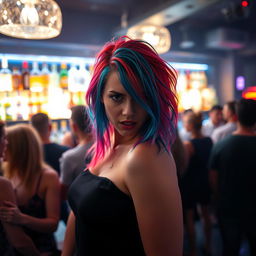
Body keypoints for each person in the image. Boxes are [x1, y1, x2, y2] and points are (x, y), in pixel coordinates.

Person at [62, 37, 183, 256]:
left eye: (140, 98)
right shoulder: (107, 142)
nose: (129, 111)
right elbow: (79, 212)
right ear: (100, 97)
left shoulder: (145, 157)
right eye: (117, 97)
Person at [0, 124, 60, 255]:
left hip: (41, 249)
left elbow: (53, 224)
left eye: (7, 141)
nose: (4, 145)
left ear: (18, 148)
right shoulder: (7, 174)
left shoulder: (48, 176)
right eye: (4, 140)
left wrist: (22, 218)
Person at [209, 98, 256, 256]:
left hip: (228, 206)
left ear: (236, 116)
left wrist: (217, 198)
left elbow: (213, 177)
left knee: (230, 248)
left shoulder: (221, 145)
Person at [0, 120, 40, 256]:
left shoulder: (45, 176)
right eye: (4, 138)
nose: (7, 143)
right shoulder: (3, 184)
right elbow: (20, 242)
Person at [181, 112, 213, 256]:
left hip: (191, 183)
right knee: (206, 214)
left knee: (189, 218)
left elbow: (184, 167)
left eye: (186, 123)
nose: (185, 125)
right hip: (205, 181)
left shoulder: (188, 145)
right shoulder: (209, 141)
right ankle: (208, 245)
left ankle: (193, 250)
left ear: (191, 126)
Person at [31, 113, 70, 224]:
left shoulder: (29, 155)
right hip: (62, 200)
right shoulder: (65, 152)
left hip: (37, 203)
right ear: (50, 127)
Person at [60, 105, 93, 199]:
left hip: (77, 210)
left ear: (74, 127)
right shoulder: (106, 148)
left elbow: (63, 194)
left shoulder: (69, 157)